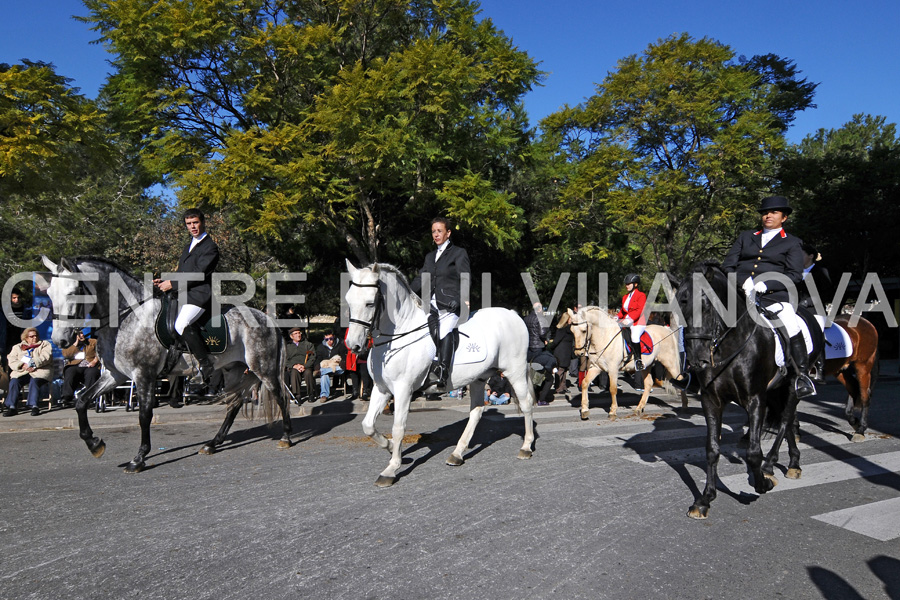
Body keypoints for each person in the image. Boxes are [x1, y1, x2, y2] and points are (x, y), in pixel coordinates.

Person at [722, 195, 815, 397]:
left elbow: (794, 275)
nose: (768, 216)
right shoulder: (746, 237)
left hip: (772, 297)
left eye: (773, 212)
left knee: (791, 323)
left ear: (784, 218)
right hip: (740, 295)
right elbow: (727, 266)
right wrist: (740, 282)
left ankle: (802, 375)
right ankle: (693, 371)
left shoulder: (792, 242)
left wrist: (767, 284)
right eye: (765, 212)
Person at [153, 208, 220, 383]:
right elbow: (183, 272)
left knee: (181, 323)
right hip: (183, 294)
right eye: (189, 224)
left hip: (199, 295)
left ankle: (206, 364)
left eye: (195, 222)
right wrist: (165, 280)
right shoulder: (188, 245)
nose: (193, 227)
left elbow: (199, 274)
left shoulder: (210, 247)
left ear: (203, 222)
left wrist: (172, 284)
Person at [409, 216, 471, 389]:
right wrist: (407, 292)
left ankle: (443, 371)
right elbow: (422, 277)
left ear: (448, 233)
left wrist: (460, 300)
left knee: (444, 329)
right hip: (432, 304)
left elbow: (465, 279)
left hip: (450, 304)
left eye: (439, 231)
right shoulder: (430, 257)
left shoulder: (458, 253)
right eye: (433, 232)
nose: (436, 235)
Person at [799, 242, 835, 382]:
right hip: (797, 310)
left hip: (815, 311)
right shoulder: (795, 273)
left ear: (810, 256)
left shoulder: (820, 271)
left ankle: (820, 368)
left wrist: (807, 302)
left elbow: (826, 293)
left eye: (801, 254)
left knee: (816, 334)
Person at [3, 328, 52, 417]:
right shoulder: (17, 347)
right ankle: (12, 407)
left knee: (34, 381)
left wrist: (33, 364)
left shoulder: (45, 344)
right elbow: (12, 360)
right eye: (32, 336)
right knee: (14, 381)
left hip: (39, 371)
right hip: (23, 371)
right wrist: (22, 365)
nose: (34, 338)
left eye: (36, 335)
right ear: (26, 338)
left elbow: (46, 357)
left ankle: (34, 406)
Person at [525, 301, 557, 405]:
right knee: (543, 374)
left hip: (529, 349)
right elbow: (543, 333)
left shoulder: (526, 318)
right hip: (539, 348)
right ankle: (541, 398)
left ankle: (534, 395)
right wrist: (546, 339)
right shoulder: (541, 318)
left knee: (533, 373)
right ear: (539, 309)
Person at [59, 330, 101, 408]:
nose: (81, 335)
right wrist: (75, 344)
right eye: (78, 334)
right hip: (75, 365)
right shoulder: (69, 344)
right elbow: (66, 354)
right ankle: (67, 398)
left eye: (82, 333)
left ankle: (89, 398)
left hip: (90, 365)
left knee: (92, 373)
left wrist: (95, 361)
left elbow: (100, 352)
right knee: (70, 371)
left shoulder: (93, 342)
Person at [616, 274, 647, 371]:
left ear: (636, 284)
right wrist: (616, 317)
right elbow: (623, 311)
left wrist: (630, 319)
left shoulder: (641, 295)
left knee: (634, 336)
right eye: (626, 284)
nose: (627, 286)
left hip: (638, 322)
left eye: (629, 284)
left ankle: (638, 360)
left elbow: (639, 310)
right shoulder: (625, 297)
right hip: (626, 321)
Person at [285, 327, 316, 403]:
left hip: (305, 366)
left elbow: (312, 357)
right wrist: (294, 366)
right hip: (294, 367)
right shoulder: (287, 347)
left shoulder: (308, 345)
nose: (298, 335)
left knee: (308, 373)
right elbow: (284, 360)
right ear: (291, 336)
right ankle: (297, 395)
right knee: (294, 373)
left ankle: (311, 394)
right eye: (296, 333)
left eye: (299, 333)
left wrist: (305, 366)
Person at [548, 307, 576, 394]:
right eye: (570, 318)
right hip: (561, 353)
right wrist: (550, 347)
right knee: (560, 370)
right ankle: (558, 387)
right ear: (566, 319)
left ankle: (563, 386)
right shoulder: (562, 330)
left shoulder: (569, 329)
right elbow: (556, 341)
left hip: (566, 352)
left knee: (564, 370)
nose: (571, 320)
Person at [315, 331, 346, 402]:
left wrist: (343, 362)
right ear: (324, 339)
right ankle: (324, 395)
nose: (329, 341)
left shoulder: (340, 345)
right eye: (327, 339)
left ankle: (321, 371)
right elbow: (318, 358)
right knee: (324, 375)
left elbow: (344, 356)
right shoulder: (321, 347)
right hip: (327, 366)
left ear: (334, 337)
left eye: (331, 338)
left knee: (324, 372)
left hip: (338, 367)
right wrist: (317, 365)